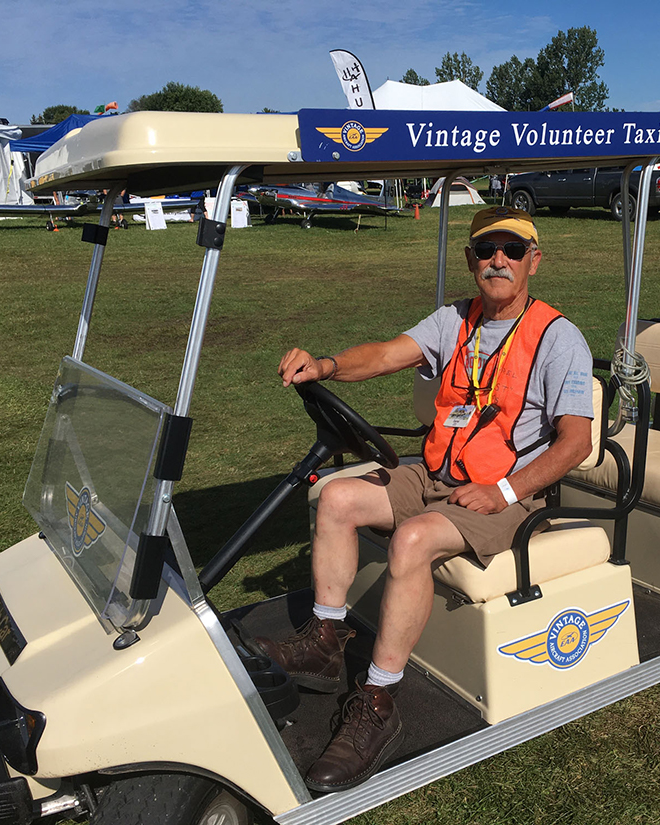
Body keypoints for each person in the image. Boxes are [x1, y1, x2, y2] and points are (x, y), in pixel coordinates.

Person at [263, 206, 595, 792]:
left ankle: (379, 699)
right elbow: (385, 355)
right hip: (438, 473)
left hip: (511, 494)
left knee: (413, 539)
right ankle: (325, 642)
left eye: (513, 250)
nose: (498, 260)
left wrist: (504, 490)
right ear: (470, 260)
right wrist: (326, 366)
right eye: (486, 249)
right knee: (336, 497)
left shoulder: (558, 338)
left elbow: (576, 442)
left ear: (534, 261)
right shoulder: (454, 321)